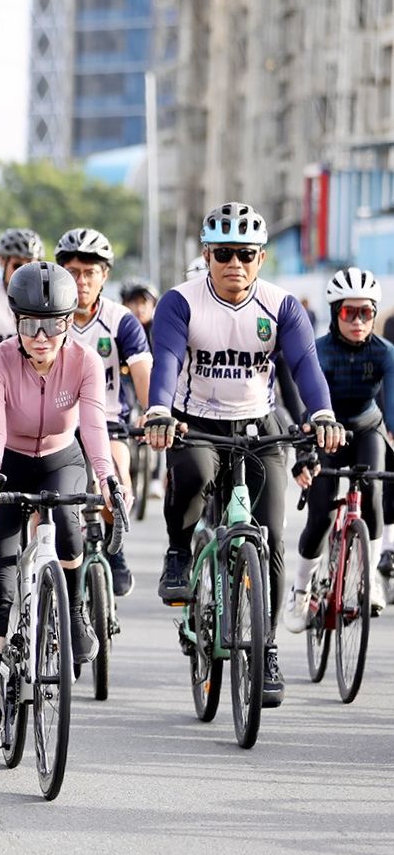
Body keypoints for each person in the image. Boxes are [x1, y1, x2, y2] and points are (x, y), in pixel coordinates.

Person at [144, 201, 342, 708]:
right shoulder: (180, 301)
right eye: (224, 253)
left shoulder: (281, 305)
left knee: (273, 534)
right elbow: (165, 360)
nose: (235, 264)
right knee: (193, 471)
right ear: (207, 254)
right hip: (197, 420)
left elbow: (304, 364)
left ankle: (267, 646)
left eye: (246, 254)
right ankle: (177, 551)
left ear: (261, 259)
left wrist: (321, 415)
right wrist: (158, 410)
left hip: (259, 424)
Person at [0, 261, 126, 750]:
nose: (42, 336)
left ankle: (74, 610)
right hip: (8, 462)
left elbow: (95, 428)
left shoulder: (85, 361)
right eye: (31, 324)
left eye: (54, 323)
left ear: (70, 321)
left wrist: (109, 480)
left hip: (61, 457)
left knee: (70, 524)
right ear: (15, 321)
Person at [285, 268, 394, 627]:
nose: (359, 320)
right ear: (335, 314)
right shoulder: (317, 351)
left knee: (375, 495)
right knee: (320, 516)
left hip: (366, 428)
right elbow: (305, 408)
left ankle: (371, 581)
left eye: (367, 312)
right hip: (324, 431)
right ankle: (301, 592)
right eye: (350, 312)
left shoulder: (385, 353)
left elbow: (391, 409)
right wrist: (304, 453)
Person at [56, 228, 152, 596]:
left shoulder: (121, 320)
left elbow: (142, 371)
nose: (81, 281)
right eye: (73, 271)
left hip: (109, 420)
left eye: (89, 272)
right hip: (57, 425)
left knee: (116, 472)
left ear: (104, 275)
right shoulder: (49, 315)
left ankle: (115, 545)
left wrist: (153, 410)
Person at [0, 229, 44, 345]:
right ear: (2, 262)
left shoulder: (47, 297)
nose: (23, 273)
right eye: (17, 265)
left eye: (30, 266)